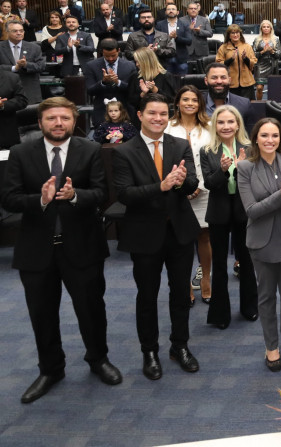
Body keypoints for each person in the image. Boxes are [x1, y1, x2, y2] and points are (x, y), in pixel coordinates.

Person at [1, 97, 121, 404]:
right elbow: (9, 199)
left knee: (91, 310)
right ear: (40, 122)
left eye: (65, 118)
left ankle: (98, 360)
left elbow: (101, 193)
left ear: (73, 121)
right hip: (36, 250)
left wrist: (73, 195)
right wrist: (40, 200)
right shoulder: (19, 152)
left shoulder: (90, 150)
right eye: (52, 118)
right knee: (42, 314)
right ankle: (51, 369)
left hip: (82, 246)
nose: (58, 123)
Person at [113, 93, 201, 380]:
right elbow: (124, 195)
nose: (158, 119)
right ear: (140, 115)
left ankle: (180, 346)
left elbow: (192, 184)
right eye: (152, 113)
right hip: (145, 235)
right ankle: (149, 351)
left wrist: (181, 182)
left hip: (179, 232)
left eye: (163, 114)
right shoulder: (124, 151)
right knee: (147, 296)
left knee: (180, 294)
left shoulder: (179, 145)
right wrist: (160, 187)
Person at [237, 119, 281, 371]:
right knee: (266, 297)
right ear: (255, 138)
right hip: (261, 242)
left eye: (275, 136)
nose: (270, 140)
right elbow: (252, 211)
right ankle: (271, 347)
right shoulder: (245, 167)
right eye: (264, 135)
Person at [201, 105, 258, 329]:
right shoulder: (207, 150)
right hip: (218, 212)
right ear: (215, 125)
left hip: (244, 212)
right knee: (220, 264)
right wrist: (223, 170)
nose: (226, 126)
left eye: (230, 122)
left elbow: (255, 182)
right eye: (221, 122)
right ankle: (219, 314)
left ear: (237, 125)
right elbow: (209, 183)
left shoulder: (250, 148)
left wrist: (242, 167)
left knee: (247, 261)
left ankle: (249, 308)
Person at [165, 86, 212, 308]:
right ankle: (184, 285)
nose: (190, 103)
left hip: (204, 191)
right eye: (185, 99)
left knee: (204, 237)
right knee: (181, 241)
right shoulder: (167, 127)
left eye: (195, 99)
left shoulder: (209, 127)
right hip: (176, 191)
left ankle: (205, 279)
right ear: (177, 102)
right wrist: (182, 187)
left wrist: (199, 186)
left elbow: (212, 158)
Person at [84, 38, 137, 126]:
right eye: (107, 56)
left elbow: (133, 90)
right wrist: (103, 82)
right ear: (102, 52)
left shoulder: (130, 66)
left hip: (124, 113)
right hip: (102, 113)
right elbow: (89, 90)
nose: (110, 58)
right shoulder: (91, 66)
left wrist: (118, 82)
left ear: (118, 50)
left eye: (113, 55)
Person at [2, 20, 46, 104]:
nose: (19, 33)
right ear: (7, 32)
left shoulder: (34, 47)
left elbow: (41, 66)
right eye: (15, 31)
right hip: (6, 93)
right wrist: (14, 68)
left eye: (21, 31)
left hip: (29, 92)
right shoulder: (1, 47)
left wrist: (26, 65)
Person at [128, 48, 178, 115]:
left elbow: (172, 100)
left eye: (138, 61)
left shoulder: (166, 76)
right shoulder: (135, 77)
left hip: (162, 115)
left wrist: (156, 90)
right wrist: (143, 93)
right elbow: (131, 102)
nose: (137, 64)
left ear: (146, 61)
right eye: (136, 62)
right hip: (141, 116)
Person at [203, 62, 252, 128]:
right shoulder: (196, 104)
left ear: (229, 80)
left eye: (223, 77)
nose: (219, 81)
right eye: (214, 78)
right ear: (206, 81)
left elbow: (249, 135)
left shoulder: (244, 105)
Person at [216, 24, 257, 100]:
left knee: (248, 107)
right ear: (229, 35)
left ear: (240, 34)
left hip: (247, 83)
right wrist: (230, 59)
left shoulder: (247, 46)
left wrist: (245, 59)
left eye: (237, 32)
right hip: (231, 84)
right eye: (233, 33)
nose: (235, 35)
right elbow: (218, 64)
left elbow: (254, 63)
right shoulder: (223, 47)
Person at [155, 4, 193, 76]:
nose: (171, 11)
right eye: (169, 9)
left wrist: (176, 37)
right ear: (165, 12)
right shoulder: (159, 25)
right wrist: (168, 38)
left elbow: (189, 41)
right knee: (167, 81)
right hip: (165, 58)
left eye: (173, 9)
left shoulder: (184, 24)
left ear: (177, 12)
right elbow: (157, 42)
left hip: (181, 58)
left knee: (182, 81)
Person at [252, 19, 281, 101]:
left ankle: (272, 106)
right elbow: (253, 55)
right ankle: (259, 104)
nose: (266, 28)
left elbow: (279, 54)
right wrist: (263, 51)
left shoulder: (275, 39)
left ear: (271, 28)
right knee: (259, 87)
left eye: (268, 27)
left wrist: (272, 51)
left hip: (272, 65)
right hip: (260, 65)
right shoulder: (257, 39)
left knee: (273, 89)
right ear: (261, 28)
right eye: (264, 27)